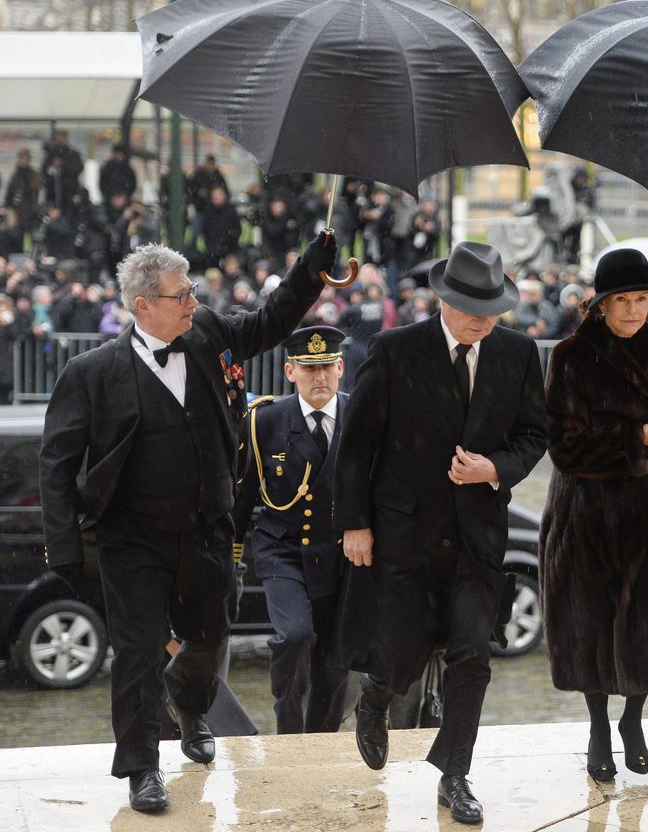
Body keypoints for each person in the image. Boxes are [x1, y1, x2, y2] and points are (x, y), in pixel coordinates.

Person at [38, 233, 336, 813]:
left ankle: (190, 705)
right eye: (181, 296)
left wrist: (313, 266)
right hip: (131, 537)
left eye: (192, 290)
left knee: (209, 635)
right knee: (137, 649)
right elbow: (56, 463)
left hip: (206, 528)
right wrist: (64, 547)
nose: (193, 302)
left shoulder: (210, 337)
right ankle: (141, 767)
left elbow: (272, 321)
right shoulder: (92, 373)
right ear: (143, 305)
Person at [333, 241, 547, 824]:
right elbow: (354, 448)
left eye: (493, 305)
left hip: (477, 538)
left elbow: (534, 435)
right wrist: (354, 523)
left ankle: (455, 774)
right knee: (400, 652)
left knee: (473, 654)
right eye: (471, 304)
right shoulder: (394, 349)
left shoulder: (519, 353)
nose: (483, 316)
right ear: (443, 299)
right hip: (405, 533)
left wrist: (496, 469)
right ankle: (376, 695)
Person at [539, 247, 648, 782]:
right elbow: (564, 447)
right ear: (600, 304)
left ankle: (633, 721)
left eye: (643, 299)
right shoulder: (570, 357)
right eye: (624, 301)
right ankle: (597, 727)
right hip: (585, 520)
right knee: (589, 625)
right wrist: (635, 440)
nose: (636, 310)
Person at [232, 326, 350, 735]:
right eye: (307, 368)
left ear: (340, 368)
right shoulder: (266, 420)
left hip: (340, 553)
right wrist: (231, 559)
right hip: (283, 549)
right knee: (296, 635)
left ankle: (322, 743)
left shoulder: (362, 414)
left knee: (335, 663)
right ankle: (289, 726)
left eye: (325, 368)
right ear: (289, 371)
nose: (318, 377)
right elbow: (244, 494)